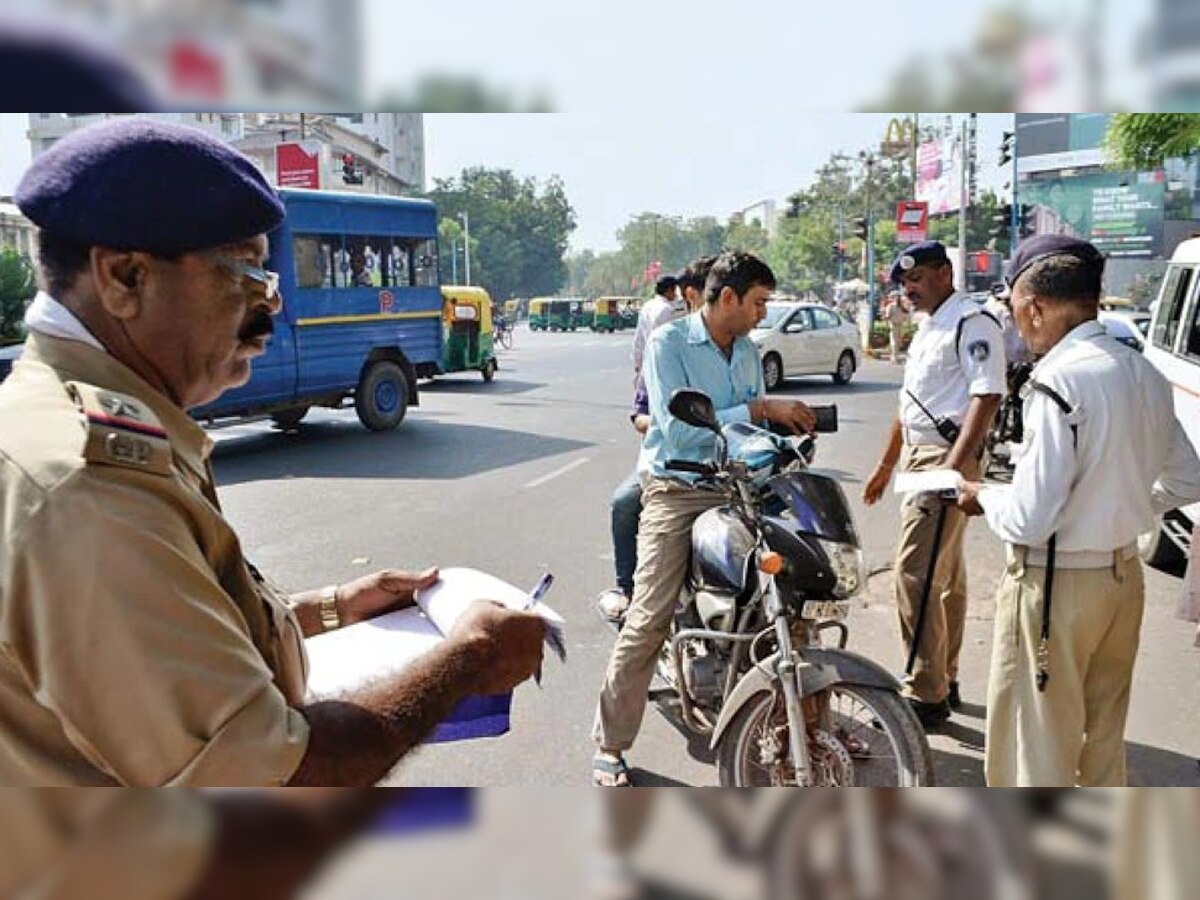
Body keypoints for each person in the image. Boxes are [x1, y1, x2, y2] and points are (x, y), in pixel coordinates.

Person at [0, 118, 546, 787]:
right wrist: (468, 660)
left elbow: (194, 630)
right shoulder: (85, 488)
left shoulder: (93, 422)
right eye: (245, 271)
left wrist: (336, 607)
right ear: (124, 276)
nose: (270, 304)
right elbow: (274, 779)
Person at [957, 236, 1200, 787]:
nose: (1014, 324)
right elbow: (1190, 476)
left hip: (1056, 586)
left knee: (1036, 747)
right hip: (1121, 582)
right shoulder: (1143, 373)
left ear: (1036, 307)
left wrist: (984, 495)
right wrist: (1128, 499)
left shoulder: (1057, 381)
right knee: (1103, 742)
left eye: (1014, 309)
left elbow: (1031, 519)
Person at [592, 251, 816, 786]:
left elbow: (747, 430)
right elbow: (679, 429)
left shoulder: (748, 351)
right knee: (647, 619)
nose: (764, 313)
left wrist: (788, 437)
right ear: (729, 297)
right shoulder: (669, 343)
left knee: (792, 596)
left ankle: (805, 724)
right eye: (759, 302)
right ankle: (610, 745)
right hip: (677, 488)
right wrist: (762, 412)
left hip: (739, 486)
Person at [862, 240, 1006, 728]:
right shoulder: (930, 326)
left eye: (918, 278)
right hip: (922, 455)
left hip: (947, 457)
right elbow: (910, 406)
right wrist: (885, 465)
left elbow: (986, 398)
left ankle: (925, 693)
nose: (910, 289)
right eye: (905, 282)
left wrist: (952, 469)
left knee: (915, 574)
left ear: (945, 273)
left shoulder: (972, 321)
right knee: (945, 577)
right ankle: (944, 673)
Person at [596, 258, 717, 625]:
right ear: (694, 296)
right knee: (624, 503)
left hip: (730, 468)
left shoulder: (743, 349)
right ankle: (628, 589)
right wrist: (665, 425)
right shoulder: (667, 345)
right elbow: (640, 414)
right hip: (672, 466)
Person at [631, 274, 684, 394]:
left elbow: (639, 338)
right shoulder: (667, 310)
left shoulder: (647, 306)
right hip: (662, 363)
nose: (676, 295)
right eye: (675, 290)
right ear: (670, 290)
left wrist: (637, 362)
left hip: (647, 361)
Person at [884, 290, 910, 363]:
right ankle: (894, 357)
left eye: (899, 297)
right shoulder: (890, 306)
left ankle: (896, 356)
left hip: (900, 325)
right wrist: (887, 325)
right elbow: (887, 316)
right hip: (893, 325)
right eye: (896, 297)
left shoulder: (901, 306)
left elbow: (906, 314)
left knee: (898, 342)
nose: (898, 298)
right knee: (894, 342)